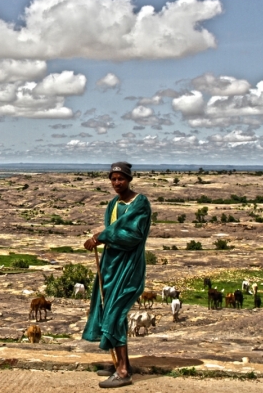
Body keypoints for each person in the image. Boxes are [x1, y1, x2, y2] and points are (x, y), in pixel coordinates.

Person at [82, 162, 151, 388]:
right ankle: (121, 364)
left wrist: (101, 237)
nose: (116, 183)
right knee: (108, 309)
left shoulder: (140, 203)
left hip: (129, 267)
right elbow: (112, 231)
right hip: (111, 266)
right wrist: (102, 238)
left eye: (120, 178)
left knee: (116, 314)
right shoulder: (113, 203)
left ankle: (123, 373)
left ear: (129, 179)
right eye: (113, 179)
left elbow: (132, 234)